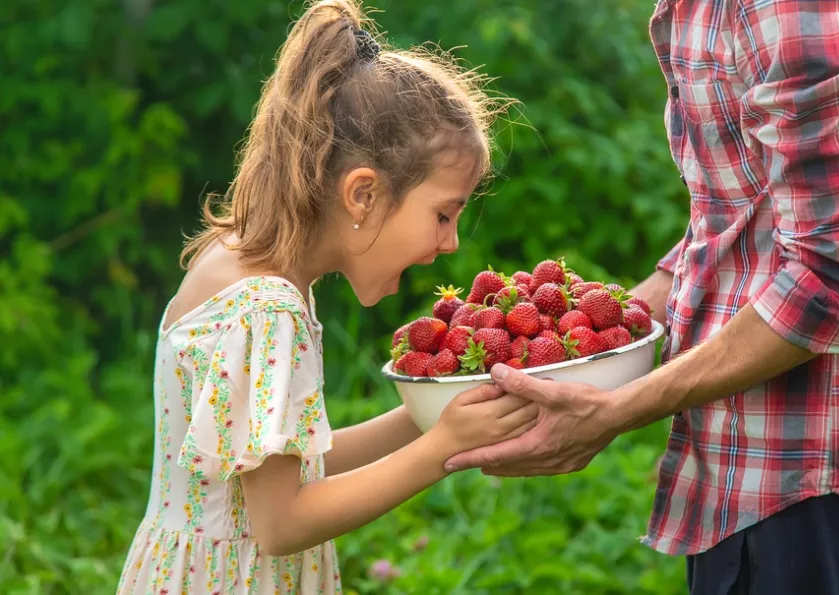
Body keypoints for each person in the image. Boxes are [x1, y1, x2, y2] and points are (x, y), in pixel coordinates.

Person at [445, 1, 839, 593]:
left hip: (803, 474)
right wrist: (580, 342)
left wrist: (616, 410)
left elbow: (834, 283)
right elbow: (743, 217)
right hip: (752, 465)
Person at [115, 2, 535, 593]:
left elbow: (289, 469)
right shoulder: (269, 310)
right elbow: (281, 524)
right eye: (443, 214)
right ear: (362, 194)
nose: (450, 243)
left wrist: (435, 412)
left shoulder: (244, 266)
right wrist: (442, 448)